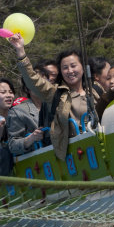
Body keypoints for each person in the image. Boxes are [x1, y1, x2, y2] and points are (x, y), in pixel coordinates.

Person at [9, 33, 99, 161]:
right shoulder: (56, 93)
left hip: (99, 142)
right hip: (74, 153)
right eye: (65, 68)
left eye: (73, 66)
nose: (70, 71)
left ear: (83, 67)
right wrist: (20, 51)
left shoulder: (95, 89)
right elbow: (33, 80)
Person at [7, 78, 50, 156]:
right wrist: (31, 138)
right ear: (27, 89)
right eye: (35, 83)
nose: (40, 85)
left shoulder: (58, 102)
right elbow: (13, 145)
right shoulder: (18, 112)